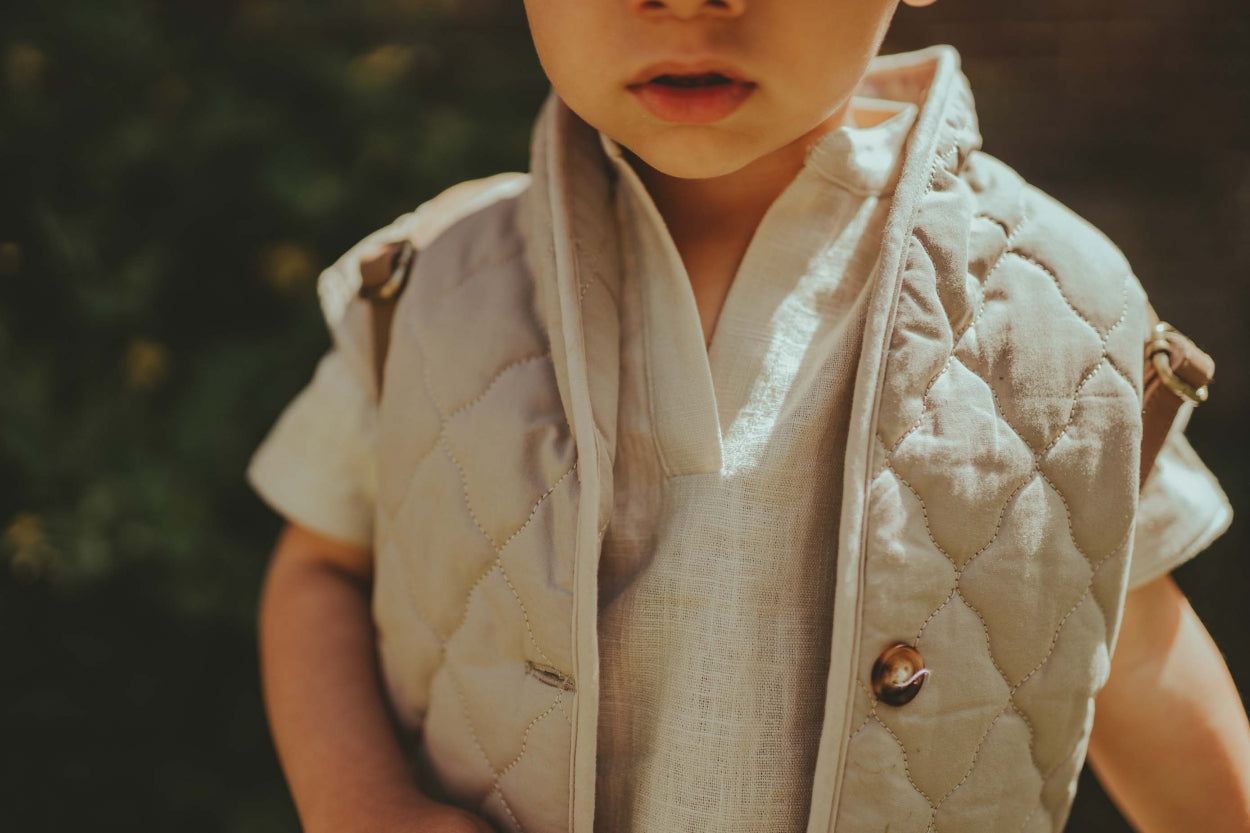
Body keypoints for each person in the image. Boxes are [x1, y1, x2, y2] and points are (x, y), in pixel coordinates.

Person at [246, 1, 1250, 831]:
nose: (686, 2)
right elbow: (320, 564)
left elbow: (1129, 644)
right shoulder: (427, 289)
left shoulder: (1055, 313)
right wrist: (362, 806)